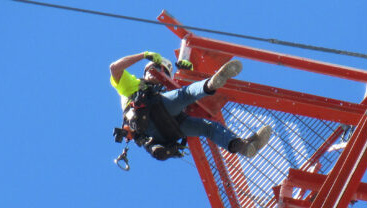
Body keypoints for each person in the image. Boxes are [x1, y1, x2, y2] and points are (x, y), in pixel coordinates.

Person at [110, 51, 272, 160]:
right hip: (149, 112)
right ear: (147, 71)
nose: (161, 73)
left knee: (208, 127)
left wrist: (188, 71)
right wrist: (144, 55)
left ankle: (241, 146)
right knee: (185, 94)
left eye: (166, 72)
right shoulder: (132, 84)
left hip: (166, 130)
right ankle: (211, 84)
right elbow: (115, 68)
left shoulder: (164, 89)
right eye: (157, 68)